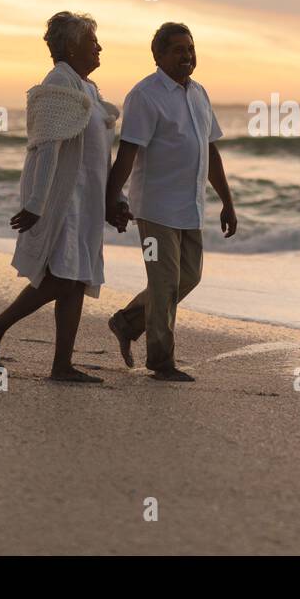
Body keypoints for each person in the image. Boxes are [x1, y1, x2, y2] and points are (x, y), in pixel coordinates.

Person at [0, 11, 129, 383]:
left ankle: (62, 364)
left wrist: (115, 198)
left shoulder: (88, 89)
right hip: (64, 201)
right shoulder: (59, 82)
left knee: (76, 278)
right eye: (92, 42)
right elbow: (46, 148)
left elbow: (99, 154)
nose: (99, 48)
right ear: (72, 46)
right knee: (63, 277)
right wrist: (35, 204)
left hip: (86, 201)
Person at [104, 22, 236, 382]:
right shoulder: (144, 96)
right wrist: (111, 199)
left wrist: (227, 200)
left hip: (190, 207)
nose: (187, 55)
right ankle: (161, 362)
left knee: (188, 277)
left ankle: (127, 322)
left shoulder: (199, 93)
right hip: (155, 209)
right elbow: (128, 153)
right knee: (163, 284)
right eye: (178, 49)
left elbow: (209, 149)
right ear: (158, 55)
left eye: (190, 48)